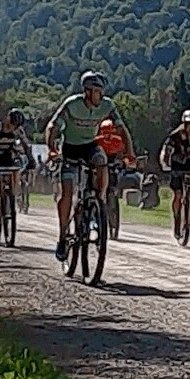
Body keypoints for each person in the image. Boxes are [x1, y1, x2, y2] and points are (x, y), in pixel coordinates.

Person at [44, 71, 134, 260]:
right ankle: (62, 236)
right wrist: (52, 149)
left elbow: (122, 129)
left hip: (90, 146)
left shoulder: (107, 105)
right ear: (87, 91)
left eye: (101, 92)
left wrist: (129, 152)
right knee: (67, 192)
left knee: (101, 161)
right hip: (70, 147)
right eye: (96, 92)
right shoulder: (72, 104)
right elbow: (53, 126)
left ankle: (99, 201)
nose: (100, 96)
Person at [0, 108, 35, 220]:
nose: (13, 128)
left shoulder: (18, 130)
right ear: (7, 120)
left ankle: (10, 197)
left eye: (16, 126)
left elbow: (26, 146)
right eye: (12, 124)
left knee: (13, 176)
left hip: (6, 157)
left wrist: (31, 160)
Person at [159, 110, 190, 236]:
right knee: (178, 194)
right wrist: (165, 165)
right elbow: (165, 151)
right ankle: (177, 220)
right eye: (189, 125)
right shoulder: (175, 136)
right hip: (177, 165)